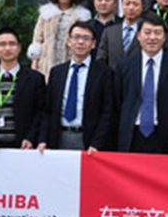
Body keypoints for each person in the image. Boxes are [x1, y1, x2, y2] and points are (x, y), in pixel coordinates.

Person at [115, 13, 168, 154]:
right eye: (147, 32)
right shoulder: (124, 66)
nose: (152, 37)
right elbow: (118, 101)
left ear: (164, 37)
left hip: (164, 135)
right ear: (138, 36)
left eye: (157, 33)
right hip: (132, 134)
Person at [38, 21, 114, 152]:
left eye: (86, 38)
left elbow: (108, 111)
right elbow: (47, 110)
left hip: (89, 140)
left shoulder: (104, 73)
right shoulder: (57, 72)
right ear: (69, 41)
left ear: (93, 44)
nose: (80, 42)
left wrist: (97, 143)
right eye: (76, 37)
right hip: (58, 136)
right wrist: (43, 139)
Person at [0, 27, 46, 151]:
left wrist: (31, 137)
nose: (7, 48)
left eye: (12, 44)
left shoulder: (35, 78)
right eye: (2, 44)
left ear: (19, 48)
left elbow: (40, 112)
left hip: (24, 145)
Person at [28, 0, 92, 80]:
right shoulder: (46, 13)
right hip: (47, 60)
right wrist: (35, 61)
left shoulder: (81, 15)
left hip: (71, 58)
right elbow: (37, 38)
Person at [96, 0, 144, 68]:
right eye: (127, 4)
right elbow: (101, 58)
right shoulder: (109, 31)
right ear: (121, 6)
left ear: (142, 7)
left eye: (135, 4)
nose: (131, 8)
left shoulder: (147, 32)